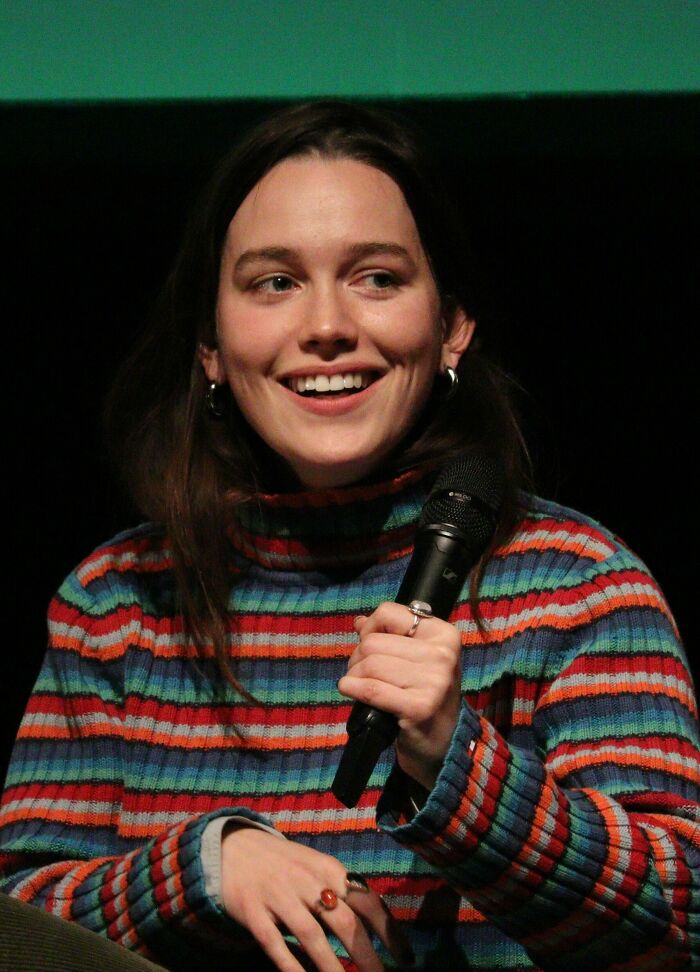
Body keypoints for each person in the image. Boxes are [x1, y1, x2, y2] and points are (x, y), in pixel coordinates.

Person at [0, 100, 698, 972]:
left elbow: (683, 920)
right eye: (274, 282)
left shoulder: (579, 586)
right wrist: (207, 868)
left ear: (451, 325)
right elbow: (15, 924)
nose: (326, 324)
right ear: (211, 345)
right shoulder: (115, 603)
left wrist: (458, 762)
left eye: (376, 277)